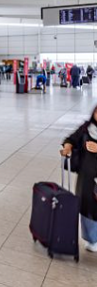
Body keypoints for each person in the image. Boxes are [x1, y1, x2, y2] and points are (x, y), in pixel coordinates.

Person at [61, 105, 97, 251]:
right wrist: (67, 146)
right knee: (87, 206)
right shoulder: (86, 128)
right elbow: (71, 139)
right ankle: (92, 239)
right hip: (87, 176)